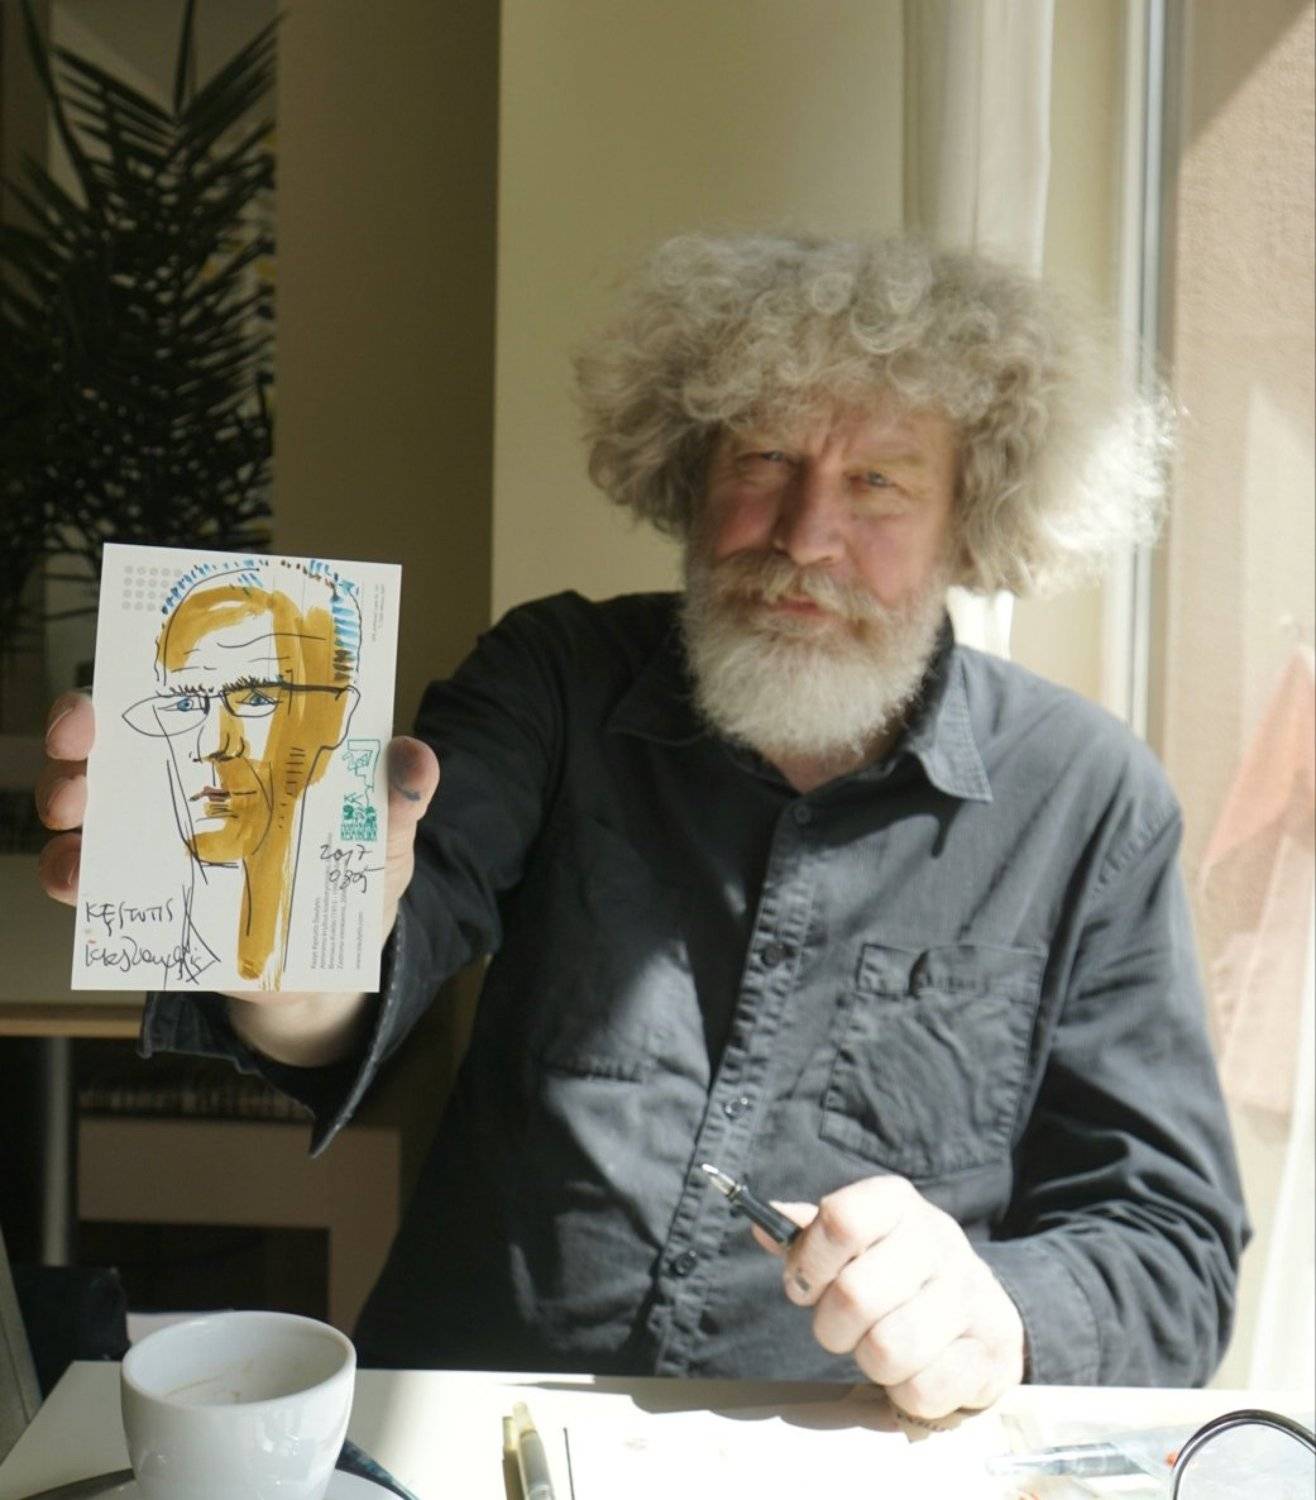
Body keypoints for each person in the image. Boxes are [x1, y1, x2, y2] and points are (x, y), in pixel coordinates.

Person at [38, 233, 1247, 1419]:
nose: (803, 535)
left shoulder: (1088, 800)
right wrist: (285, 945)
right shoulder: (554, 677)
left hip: (833, 1453)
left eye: (876, 482)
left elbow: (1172, 1253)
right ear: (687, 471)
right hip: (468, 1423)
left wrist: (994, 1314)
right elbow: (370, 960)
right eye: (763, 457)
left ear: (971, 517)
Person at [118, 558, 361, 986]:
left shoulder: (332, 931)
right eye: (186, 703)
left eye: (255, 699)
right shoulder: (144, 918)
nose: (212, 745)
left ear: (332, 719)